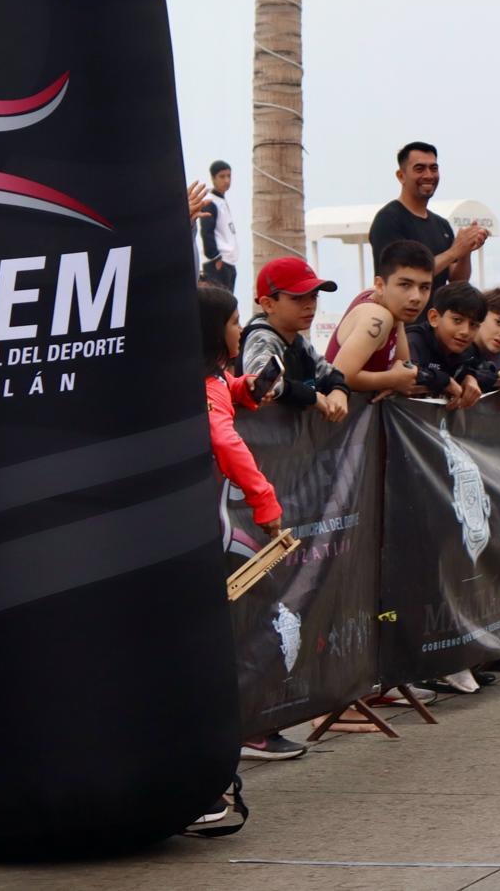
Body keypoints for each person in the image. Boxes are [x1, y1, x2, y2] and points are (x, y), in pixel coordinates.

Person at [197, 285, 307, 767]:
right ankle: (247, 730)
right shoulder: (200, 384)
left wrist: (247, 388)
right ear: (211, 330)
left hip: (206, 528)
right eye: (233, 321)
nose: (240, 329)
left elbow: (224, 393)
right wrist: (265, 502)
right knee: (252, 619)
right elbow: (224, 440)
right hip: (204, 532)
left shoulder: (211, 377)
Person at [368, 142, 489, 313]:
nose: (428, 175)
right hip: (401, 322)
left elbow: (457, 281)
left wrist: (465, 250)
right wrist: (454, 252)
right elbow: (404, 274)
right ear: (401, 176)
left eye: (433, 168)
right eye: (419, 169)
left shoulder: (442, 225)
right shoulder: (388, 219)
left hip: (433, 323)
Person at [238, 258, 350, 422]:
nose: (309, 305)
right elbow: (262, 384)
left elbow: (328, 372)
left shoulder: (299, 341)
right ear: (268, 304)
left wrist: (339, 390)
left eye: (314, 296)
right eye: (297, 298)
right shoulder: (261, 338)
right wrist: (312, 396)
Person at [327, 239, 433, 398]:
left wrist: (396, 380)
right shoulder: (377, 317)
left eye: (424, 287)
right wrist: (393, 380)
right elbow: (338, 376)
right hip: (338, 411)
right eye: (405, 285)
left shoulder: (391, 306)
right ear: (380, 285)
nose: (416, 297)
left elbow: (405, 367)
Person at [405, 282, 489, 408]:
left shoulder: (468, 349)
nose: (465, 332)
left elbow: (489, 370)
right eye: (457, 320)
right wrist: (445, 381)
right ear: (434, 318)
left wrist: (472, 377)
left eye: (473, 324)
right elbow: (407, 371)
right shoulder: (414, 341)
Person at [198, 160, 238, 291]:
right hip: (218, 264)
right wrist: (215, 258)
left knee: (229, 302)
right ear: (213, 178)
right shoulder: (210, 201)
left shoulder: (221, 199)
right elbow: (206, 232)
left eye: (229, 176)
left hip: (229, 263)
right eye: (222, 176)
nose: (227, 180)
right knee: (219, 303)